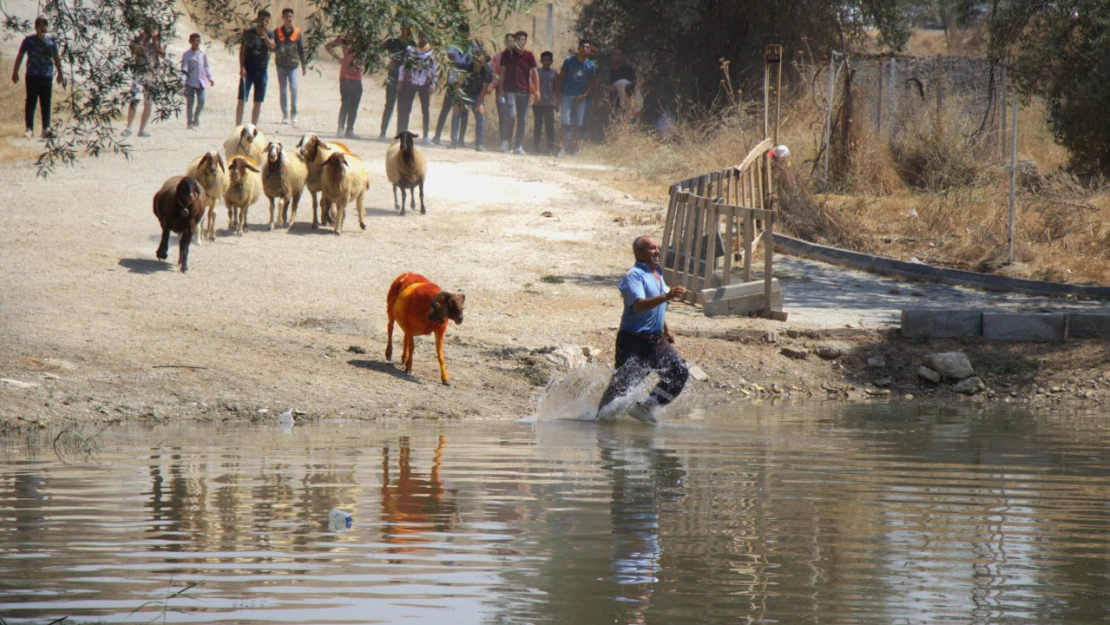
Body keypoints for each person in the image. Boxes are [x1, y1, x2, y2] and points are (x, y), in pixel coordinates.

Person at [595, 236, 690, 425]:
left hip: (657, 341)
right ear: (638, 253)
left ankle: (646, 406)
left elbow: (658, 308)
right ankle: (599, 422)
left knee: (678, 372)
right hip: (633, 341)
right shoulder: (634, 276)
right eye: (651, 248)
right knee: (622, 388)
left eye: (657, 248)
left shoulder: (658, 273)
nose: (656, 251)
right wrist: (667, 296)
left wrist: (666, 329)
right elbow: (639, 305)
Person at [11, 16, 63, 139]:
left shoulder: (51, 42)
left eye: (44, 26)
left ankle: (46, 128)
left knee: (46, 102)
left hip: (46, 76)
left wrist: (60, 73)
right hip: (32, 75)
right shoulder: (28, 41)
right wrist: (15, 71)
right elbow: (20, 56)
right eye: (40, 26)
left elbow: (56, 57)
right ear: (36, 27)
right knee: (31, 102)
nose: (42, 28)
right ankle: (29, 128)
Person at [554, 39, 597, 158]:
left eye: (587, 47)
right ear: (578, 48)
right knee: (565, 123)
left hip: (581, 98)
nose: (585, 49)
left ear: (590, 50)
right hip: (567, 96)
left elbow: (592, 83)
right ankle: (561, 148)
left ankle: (573, 150)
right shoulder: (569, 61)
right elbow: (560, 78)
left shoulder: (590, 65)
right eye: (582, 47)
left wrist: (584, 95)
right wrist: (558, 98)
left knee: (578, 125)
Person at [497, 30, 537, 154]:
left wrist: (536, 90)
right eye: (518, 38)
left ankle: (518, 146)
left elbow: (535, 73)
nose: (520, 41)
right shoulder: (507, 55)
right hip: (510, 91)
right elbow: (501, 73)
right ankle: (506, 141)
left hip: (524, 92)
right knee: (511, 115)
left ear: (525, 41)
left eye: (523, 39)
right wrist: (500, 90)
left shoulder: (529, 55)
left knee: (523, 120)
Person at [121, 24, 165, 137]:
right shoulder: (138, 39)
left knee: (148, 102)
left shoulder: (157, 41)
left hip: (152, 74)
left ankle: (142, 129)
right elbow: (134, 49)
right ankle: (129, 127)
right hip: (139, 72)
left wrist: (156, 42)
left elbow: (162, 54)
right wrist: (142, 39)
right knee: (135, 98)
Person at [236, 10, 275, 126]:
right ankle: (237, 126)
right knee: (241, 99)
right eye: (262, 20)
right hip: (248, 70)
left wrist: (264, 34)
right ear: (257, 19)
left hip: (261, 71)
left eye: (266, 21)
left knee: (257, 102)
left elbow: (272, 47)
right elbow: (242, 50)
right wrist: (242, 67)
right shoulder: (248, 33)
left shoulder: (270, 34)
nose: (264, 22)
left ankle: (253, 126)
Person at [396, 32, 436, 143]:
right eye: (420, 36)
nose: (422, 38)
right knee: (406, 109)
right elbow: (403, 66)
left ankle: (426, 136)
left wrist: (432, 84)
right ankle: (403, 133)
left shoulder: (430, 52)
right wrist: (400, 80)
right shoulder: (411, 50)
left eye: (424, 36)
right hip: (411, 82)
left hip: (424, 83)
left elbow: (433, 69)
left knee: (425, 110)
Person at [450, 51, 493, 151]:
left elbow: (484, 89)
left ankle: (479, 145)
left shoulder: (488, 71)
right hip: (463, 93)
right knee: (456, 113)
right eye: (476, 61)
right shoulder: (465, 67)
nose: (478, 64)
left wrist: (479, 105)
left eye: (481, 62)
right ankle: (454, 142)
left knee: (480, 116)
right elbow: (458, 85)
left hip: (477, 94)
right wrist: (457, 101)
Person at [325, 34, 363, 139]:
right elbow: (328, 46)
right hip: (345, 76)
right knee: (346, 102)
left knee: (354, 104)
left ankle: (350, 129)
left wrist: (361, 64)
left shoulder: (362, 40)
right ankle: (340, 128)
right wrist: (338, 58)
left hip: (357, 77)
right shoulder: (344, 39)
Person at [432, 45, 471, 145]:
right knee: (445, 109)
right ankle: (437, 135)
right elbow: (450, 58)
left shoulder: (470, 49)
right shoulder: (453, 47)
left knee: (464, 112)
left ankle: (461, 139)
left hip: (465, 85)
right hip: (452, 83)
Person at [274, 8, 307, 126]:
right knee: (283, 90)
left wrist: (304, 65)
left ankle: (294, 114)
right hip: (281, 65)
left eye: (290, 16)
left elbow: (301, 50)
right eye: (286, 16)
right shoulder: (277, 32)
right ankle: (285, 115)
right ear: (282, 18)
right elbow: (272, 46)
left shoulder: (297, 33)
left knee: (293, 89)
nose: (289, 19)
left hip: (293, 65)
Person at [379, 25, 412, 140]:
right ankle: (383, 132)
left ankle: (401, 133)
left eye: (407, 29)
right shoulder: (392, 42)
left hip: (406, 80)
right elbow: (378, 52)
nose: (405, 31)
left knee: (403, 107)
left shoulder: (411, 46)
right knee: (389, 105)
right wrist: (386, 62)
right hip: (393, 77)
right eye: (404, 29)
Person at [179, 33, 214, 129]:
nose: (195, 42)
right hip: (190, 82)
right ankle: (189, 123)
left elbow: (206, 66)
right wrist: (182, 80)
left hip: (201, 81)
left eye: (197, 40)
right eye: (193, 40)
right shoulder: (187, 55)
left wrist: (210, 78)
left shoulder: (202, 53)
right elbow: (184, 68)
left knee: (202, 101)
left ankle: (196, 116)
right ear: (190, 41)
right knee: (190, 103)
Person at [532, 51, 557, 154]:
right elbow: (532, 85)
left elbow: (556, 87)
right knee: (537, 126)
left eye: (548, 60)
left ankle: (550, 149)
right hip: (537, 103)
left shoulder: (554, 73)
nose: (546, 61)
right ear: (541, 60)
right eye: (544, 59)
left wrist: (556, 101)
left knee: (549, 126)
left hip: (549, 104)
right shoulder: (537, 72)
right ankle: (536, 147)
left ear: (551, 61)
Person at [609, 46, 639, 120]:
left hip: (625, 102)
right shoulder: (612, 71)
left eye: (619, 55)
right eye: (615, 54)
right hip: (614, 102)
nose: (617, 57)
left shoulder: (627, 69)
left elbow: (634, 83)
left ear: (623, 57)